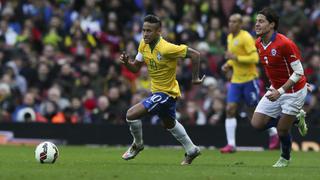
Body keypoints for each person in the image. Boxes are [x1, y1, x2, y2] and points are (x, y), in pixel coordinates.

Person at [119, 15, 205, 165]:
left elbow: (195, 54)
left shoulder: (167, 48)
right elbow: (135, 68)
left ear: (158, 31)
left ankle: (137, 144)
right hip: (157, 92)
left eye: (149, 31)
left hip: (167, 93)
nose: (145, 34)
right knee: (169, 124)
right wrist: (127, 63)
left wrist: (194, 78)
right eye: (144, 30)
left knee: (131, 114)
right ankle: (192, 150)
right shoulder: (143, 45)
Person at [251, 7, 308, 168]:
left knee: (282, 130)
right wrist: (274, 88)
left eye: (261, 21)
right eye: (256, 21)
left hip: (293, 92)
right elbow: (272, 68)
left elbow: (299, 71)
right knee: (257, 124)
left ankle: (285, 158)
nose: (257, 24)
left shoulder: (285, 44)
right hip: (275, 89)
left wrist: (281, 91)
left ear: (272, 25)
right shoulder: (258, 43)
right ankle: (296, 118)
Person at [220, 13, 279, 153]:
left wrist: (234, 57)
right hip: (236, 80)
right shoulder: (230, 38)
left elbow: (254, 58)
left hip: (249, 79)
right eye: (230, 21)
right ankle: (231, 145)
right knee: (230, 109)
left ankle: (274, 133)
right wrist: (228, 64)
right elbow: (235, 58)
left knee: (253, 114)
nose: (231, 24)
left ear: (240, 24)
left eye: (234, 22)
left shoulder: (246, 37)